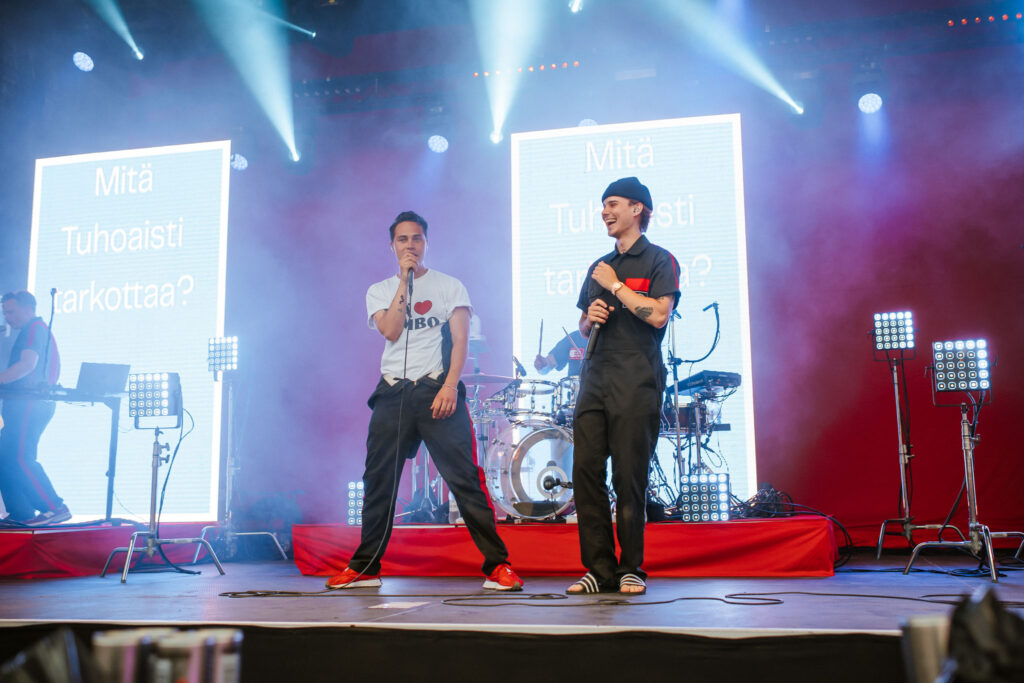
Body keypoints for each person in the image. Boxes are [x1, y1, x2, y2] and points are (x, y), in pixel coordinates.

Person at [326, 211, 523, 591]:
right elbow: (390, 330)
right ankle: (366, 568)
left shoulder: (450, 287)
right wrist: (404, 281)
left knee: (465, 480)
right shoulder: (380, 290)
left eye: (416, 238)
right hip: (393, 393)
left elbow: (462, 341)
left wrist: (450, 386)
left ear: (426, 243)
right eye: (402, 239)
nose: (410, 245)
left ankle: (498, 566)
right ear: (392, 246)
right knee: (378, 482)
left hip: (437, 391)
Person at [567, 177, 680, 595]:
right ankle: (598, 569)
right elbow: (583, 325)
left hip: (637, 377)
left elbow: (659, 315)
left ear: (637, 209)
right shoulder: (599, 265)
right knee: (585, 472)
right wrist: (590, 315)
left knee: (629, 476)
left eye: (613, 204)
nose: (605, 212)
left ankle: (631, 567)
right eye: (603, 205)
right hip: (595, 375)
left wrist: (616, 286)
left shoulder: (659, 260)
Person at [0, 290, 69, 526]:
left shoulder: (34, 329)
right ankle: (21, 513)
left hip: (29, 404)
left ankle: (54, 506)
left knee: (20, 457)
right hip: (25, 405)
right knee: (4, 456)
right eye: (5, 313)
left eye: (11, 311)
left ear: (28, 309)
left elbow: (27, 364)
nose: (7, 317)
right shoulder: (35, 330)